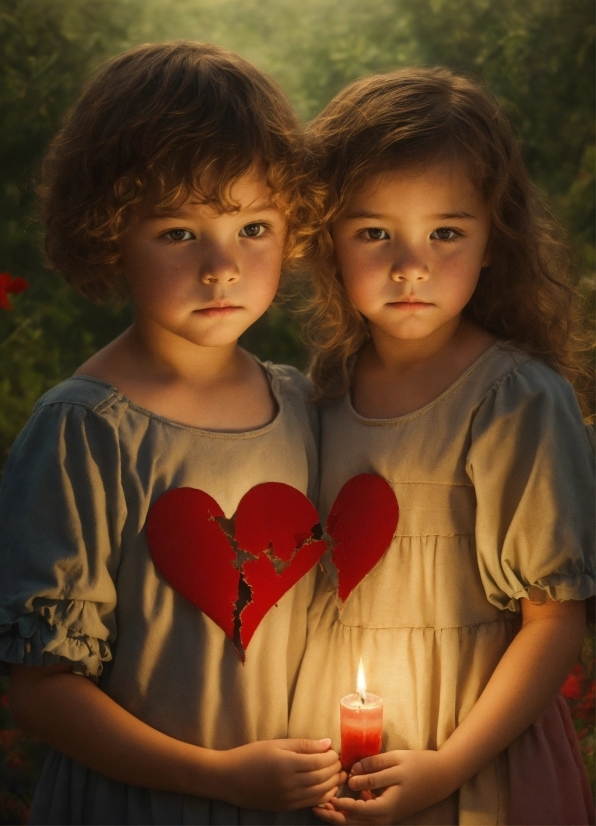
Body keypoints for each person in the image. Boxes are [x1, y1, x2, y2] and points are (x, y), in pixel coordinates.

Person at [0, 41, 345, 825]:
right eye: (180, 233)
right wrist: (222, 777)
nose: (223, 266)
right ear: (107, 231)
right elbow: (44, 695)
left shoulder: (301, 405)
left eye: (253, 226)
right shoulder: (84, 430)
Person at [288, 67, 595, 825]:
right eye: (373, 232)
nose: (410, 264)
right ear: (328, 241)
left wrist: (446, 768)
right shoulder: (316, 396)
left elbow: (555, 620)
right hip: (337, 771)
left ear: (495, 240)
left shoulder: (515, 400)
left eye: (446, 232)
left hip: (475, 765)